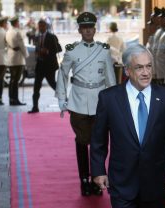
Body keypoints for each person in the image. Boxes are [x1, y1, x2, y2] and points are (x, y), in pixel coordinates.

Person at [90, 44, 165, 208]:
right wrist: (98, 170)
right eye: (139, 68)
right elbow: (99, 140)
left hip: (154, 184)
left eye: (148, 66)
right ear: (127, 70)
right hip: (121, 182)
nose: (146, 72)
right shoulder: (109, 98)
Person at [55, 12, 116, 196]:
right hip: (78, 103)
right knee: (82, 142)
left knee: (100, 143)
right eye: (84, 27)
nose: (88, 30)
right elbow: (63, 74)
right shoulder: (72, 51)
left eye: (91, 27)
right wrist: (61, 98)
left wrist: (114, 103)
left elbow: (110, 79)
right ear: (80, 29)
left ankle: (98, 179)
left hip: (100, 103)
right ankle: (84, 179)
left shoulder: (104, 51)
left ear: (94, 29)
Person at [28, 19, 62, 113]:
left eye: (42, 26)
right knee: (36, 86)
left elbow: (59, 48)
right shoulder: (37, 37)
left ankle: (65, 101)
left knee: (53, 84)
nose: (40, 28)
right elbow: (36, 48)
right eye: (39, 26)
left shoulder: (52, 37)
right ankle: (35, 107)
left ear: (46, 27)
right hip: (40, 65)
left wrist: (47, 51)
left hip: (49, 66)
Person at [5, 16, 29, 105]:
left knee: (12, 80)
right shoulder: (17, 32)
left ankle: (11, 99)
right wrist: (26, 55)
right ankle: (15, 100)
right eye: (18, 22)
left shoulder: (8, 32)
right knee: (16, 80)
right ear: (16, 23)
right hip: (18, 58)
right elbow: (22, 45)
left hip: (10, 57)